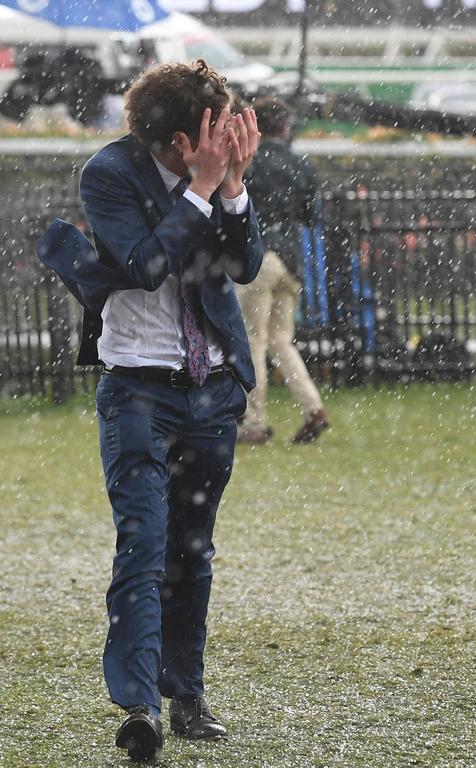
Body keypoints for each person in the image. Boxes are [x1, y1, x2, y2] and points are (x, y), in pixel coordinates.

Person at [36, 60, 262, 760]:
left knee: (192, 551)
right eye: (212, 131)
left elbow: (243, 266)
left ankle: (185, 691)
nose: (225, 138)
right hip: (139, 388)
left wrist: (232, 190)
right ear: (175, 139)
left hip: (212, 388)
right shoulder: (111, 174)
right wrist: (197, 189)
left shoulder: (215, 173)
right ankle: (139, 704)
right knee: (143, 544)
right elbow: (145, 265)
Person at [237, 96, 329, 445]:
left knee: (253, 342)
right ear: (286, 127)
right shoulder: (300, 164)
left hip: (258, 257)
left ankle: (254, 423)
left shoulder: (250, 162)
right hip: (291, 260)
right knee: (280, 341)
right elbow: (308, 216)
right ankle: (313, 407)